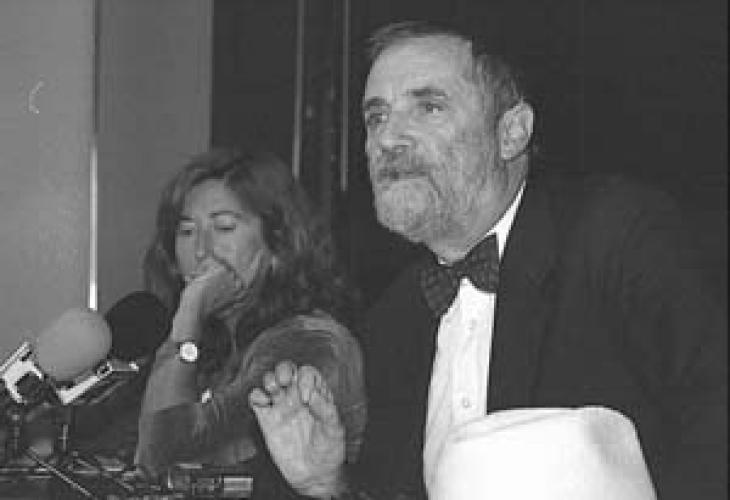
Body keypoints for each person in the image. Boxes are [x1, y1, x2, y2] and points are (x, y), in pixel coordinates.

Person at [249, 21, 727, 499]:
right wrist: (327, 484)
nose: (387, 139)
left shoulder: (614, 238)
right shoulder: (395, 318)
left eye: (428, 107)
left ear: (511, 132)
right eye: (376, 117)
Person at [135, 149, 366, 496]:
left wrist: (188, 317)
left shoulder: (310, 342)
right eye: (186, 231)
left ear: (277, 245)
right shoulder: (214, 344)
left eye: (224, 227)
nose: (201, 250)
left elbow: (167, 462)